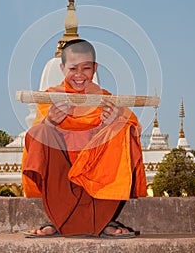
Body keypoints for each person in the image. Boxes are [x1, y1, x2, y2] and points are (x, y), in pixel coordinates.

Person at [22, 39, 147, 238]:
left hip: (95, 167)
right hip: (62, 169)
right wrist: (50, 122)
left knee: (122, 129)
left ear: (94, 69)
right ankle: (57, 219)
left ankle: (104, 220)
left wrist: (111, 123)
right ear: (62, 68)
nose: (79, 75)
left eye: (86, 68)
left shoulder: (107, 100)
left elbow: (134, 129)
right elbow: (37, 134)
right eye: (73, 68)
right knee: (40, 133)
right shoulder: (50, 98)